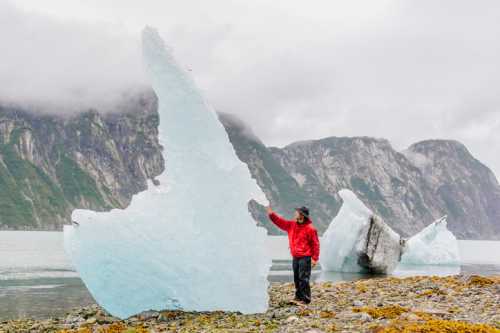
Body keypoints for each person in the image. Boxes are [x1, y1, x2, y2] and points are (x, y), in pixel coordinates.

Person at [267, 206, 320, 305]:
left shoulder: (310, 229)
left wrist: (314, 259)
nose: (294, 214)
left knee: (303, 278)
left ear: (301, 215)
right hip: (295, 256)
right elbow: (279, 222)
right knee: (296, 278)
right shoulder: (291, 225)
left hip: (305, 257)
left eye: (296, 213)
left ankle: (305, 299)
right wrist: (271, 214)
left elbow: (315, 244)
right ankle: (298, 297)